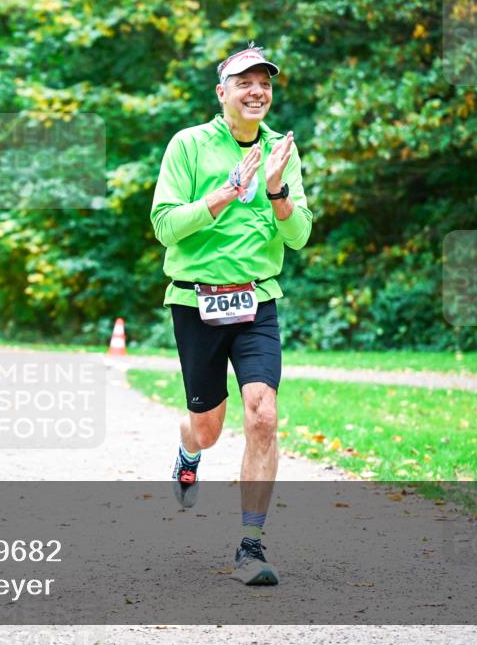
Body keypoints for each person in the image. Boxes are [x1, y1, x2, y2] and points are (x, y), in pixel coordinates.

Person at [150, 44, 313, 586]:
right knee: (209, 428)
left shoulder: (282, 151)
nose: (256, 91)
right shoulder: (189, 145)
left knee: (263, 415)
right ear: (222, 93)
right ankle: (187, 448)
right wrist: (224, 196)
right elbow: (165, 226)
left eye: (264, 82)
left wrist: (276, 191)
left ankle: (251, 545)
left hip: (257, 301)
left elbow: (300, 235)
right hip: (196, 300)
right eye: (244, 82)